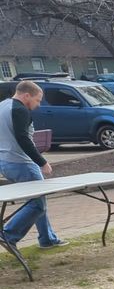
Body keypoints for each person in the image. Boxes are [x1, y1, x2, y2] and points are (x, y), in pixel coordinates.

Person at [0, 80, 65, 250]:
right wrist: (42, 162)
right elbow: (23, 139)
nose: (38, 105)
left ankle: (47, 239)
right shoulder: (20, 110)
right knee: (38, 204)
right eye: (37, 100)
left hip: (5, 162)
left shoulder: (2, 106)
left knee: (36, 201)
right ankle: (8, 235)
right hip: (22, 163)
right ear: (26, 95)